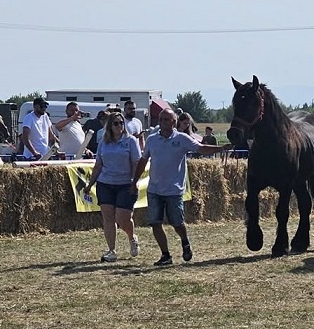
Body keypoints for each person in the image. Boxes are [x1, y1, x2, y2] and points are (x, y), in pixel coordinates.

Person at [133, 108, 231, 266]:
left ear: (174, 122)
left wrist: (220, 148)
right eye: (161, 119)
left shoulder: (182, 139)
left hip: (174, 189)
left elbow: (201, 148)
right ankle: (165, 255)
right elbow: (143, 161)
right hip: (154, 189)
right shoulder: (151, 140)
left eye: (166, 120)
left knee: (177, 222)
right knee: (155, 222)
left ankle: (185, 241)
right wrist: (134, 181)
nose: (163, 122)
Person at [83, 112, 142, 262]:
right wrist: (90, 184)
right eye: (116, 123)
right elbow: (98, 165)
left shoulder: (131, 141)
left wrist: (134, 182)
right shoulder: (104, 143)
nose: (119, 126)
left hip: (125, 184)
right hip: (105, 184)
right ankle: (111, 250)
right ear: (110, 126)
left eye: (121, 123)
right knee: (108, 217)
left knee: (123, 218)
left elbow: (136, 162)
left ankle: (131, 237)